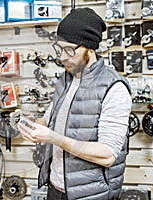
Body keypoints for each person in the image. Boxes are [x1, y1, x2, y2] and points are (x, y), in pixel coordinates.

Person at [17, 7, 132, 200]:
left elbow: (108, 155)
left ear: (90, 47)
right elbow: (50, 119)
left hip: (92, 194)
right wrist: (35, 125)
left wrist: (53, 138)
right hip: (56, 188)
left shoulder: (114, 88)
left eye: (69, 49)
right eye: (60, 48)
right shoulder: (65, 79)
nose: (62, 56)